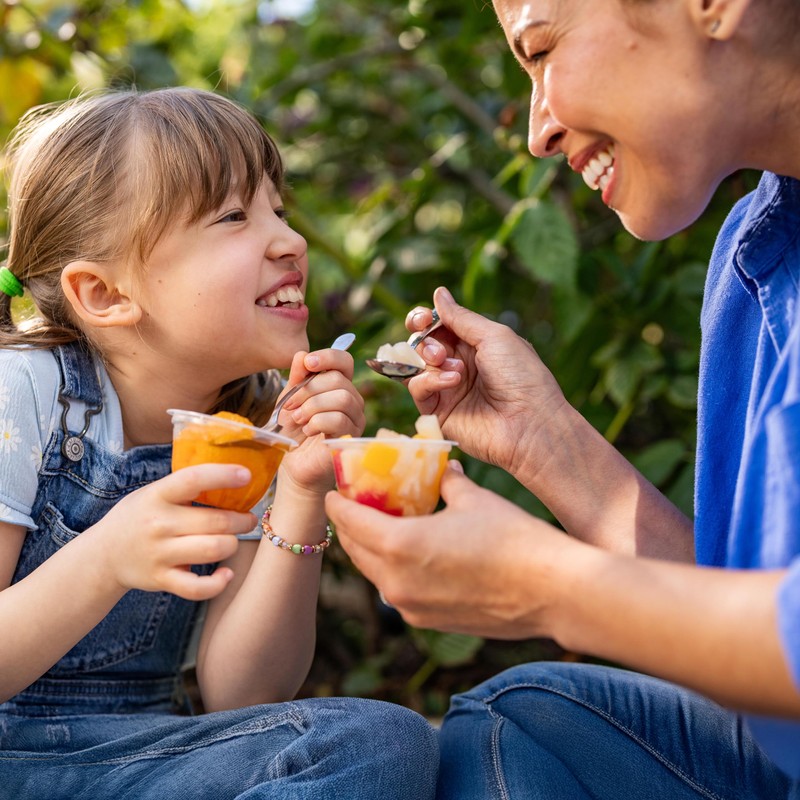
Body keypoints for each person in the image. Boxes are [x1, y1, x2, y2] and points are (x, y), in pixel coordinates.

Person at [325, 0, 800, 797]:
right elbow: (739, 625)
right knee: (526, 725)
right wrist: (545, 441)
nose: (538, 129)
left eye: (542, 51)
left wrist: (546, 587)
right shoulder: (754, 258)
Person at [0, 87, 438, 799]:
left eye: (278, 209)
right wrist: (109, 556)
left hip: (137, 760)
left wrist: (300, 492)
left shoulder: (251, 426)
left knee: (383, 741)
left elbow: (243, 695)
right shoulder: (24, 392)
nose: (289, 240)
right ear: (105, 295)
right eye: (235, 216)